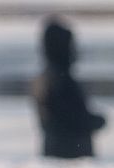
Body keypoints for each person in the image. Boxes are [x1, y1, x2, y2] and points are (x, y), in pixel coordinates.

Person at [35, 17, 107, 159]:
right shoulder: (59, 81)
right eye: (70, 45)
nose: (74, 50)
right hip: (68, 156)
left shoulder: (46, 79)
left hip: (56, 153)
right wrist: (97, 121)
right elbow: (71, 119)